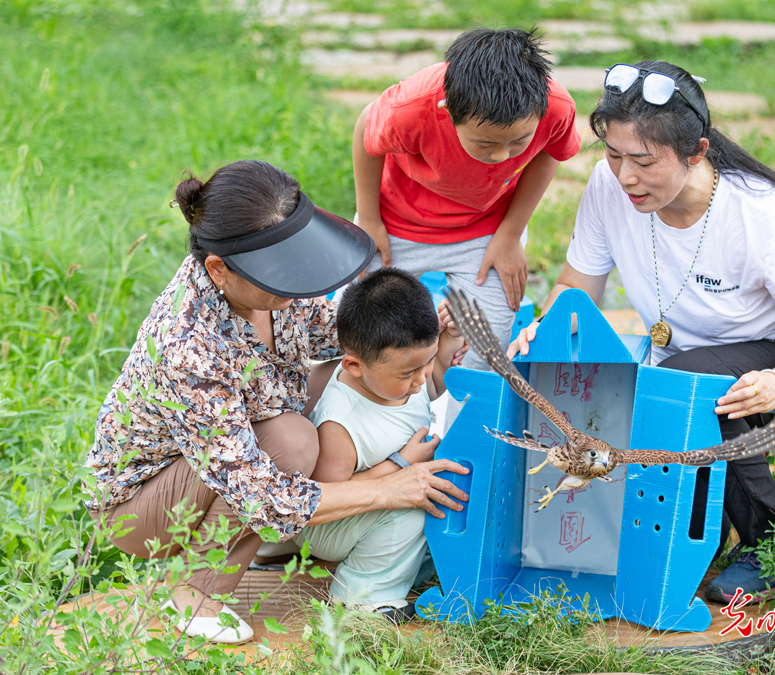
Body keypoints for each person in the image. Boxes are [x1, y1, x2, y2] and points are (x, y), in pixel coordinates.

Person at [509, 62, 775, 603]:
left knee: (682, 387)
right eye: (614, 154)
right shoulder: (611, 187)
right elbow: (577, 288)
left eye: (644, 161)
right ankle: (705, 523)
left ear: (697, 150)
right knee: (643, 388)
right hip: (689, 358)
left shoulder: (763, 219)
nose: (625, 176)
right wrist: (544, 330)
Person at [83, 160, 470, 644]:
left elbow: (348, 338)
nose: (296, 281)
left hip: (218, 458)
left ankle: (271, 544)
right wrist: (387, 485)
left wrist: (421, 335)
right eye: (279, 273)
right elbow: (259, 492)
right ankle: (192, 588)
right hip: (141, 506)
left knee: (342, 369)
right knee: (290, 443)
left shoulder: (267, 290)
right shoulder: (189, 346)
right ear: (219, 269)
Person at [353, 27, 582, 373]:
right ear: (448, 110)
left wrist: (510, 235)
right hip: (398, 221)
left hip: (486, 228)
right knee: (365, 334)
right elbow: (365, 133)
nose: (502, 156)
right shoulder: (411, 107)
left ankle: (464, 418)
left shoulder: (557, 107)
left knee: (488, 349)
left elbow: (552, 151)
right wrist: (369, 220)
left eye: (519, 141)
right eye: (485, 144)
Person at [256, 268, 465, 623]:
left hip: (368, 509)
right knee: (416, 503)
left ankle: (391, 566)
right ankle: (360, 596)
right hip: (329, 523)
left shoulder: (397, 378)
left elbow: (433, 386)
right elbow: (326, 495)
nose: (421, 379)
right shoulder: (342, 421)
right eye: (408, 373)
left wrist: (446, 347)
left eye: (426, 362)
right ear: (353, 365)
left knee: (442, 497)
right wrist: (401, 464)